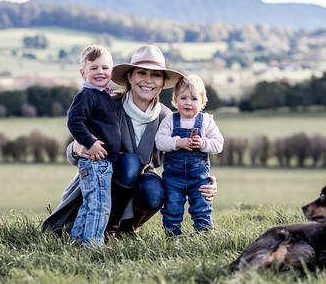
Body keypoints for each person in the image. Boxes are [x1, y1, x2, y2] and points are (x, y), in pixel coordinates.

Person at [42, 45, 218, 238]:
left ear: (163, 82)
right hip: (102, 180)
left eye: (156, 75)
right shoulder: (108, 104)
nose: (148, 80)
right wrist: (76, 148)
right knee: (129, 162)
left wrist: (206, 181)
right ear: (130, 77)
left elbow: (187, 156)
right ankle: (104, 226)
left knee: (153, 188)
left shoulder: (167, 118)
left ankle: (127, 228)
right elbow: (74, 147)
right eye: (141, 72)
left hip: (140, 185)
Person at [155, 75, 224, 237]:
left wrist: (203, 143)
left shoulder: (206, 122)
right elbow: (159, 141)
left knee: (202, 207)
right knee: (172, 208)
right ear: (175, 100)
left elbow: (219, 144)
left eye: (194, 98)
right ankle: (172, 237)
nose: (188, 102)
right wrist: (177, 143)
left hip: (198, 178)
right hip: (173, 179)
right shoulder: (170, 120)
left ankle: (204, 234)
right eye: (183, 98)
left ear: (203, 102)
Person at [66, 45, 120, 246]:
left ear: (112, 71)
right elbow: (74, 121)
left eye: (105, 68)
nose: (100, 72)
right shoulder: (86, 96)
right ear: (83, 72)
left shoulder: (103, 95)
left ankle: (77, 240)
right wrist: (90, 142)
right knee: (100, 206)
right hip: (96, 161)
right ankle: (93, 246)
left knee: (90, 205)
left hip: (103, 163)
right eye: (94, 68)